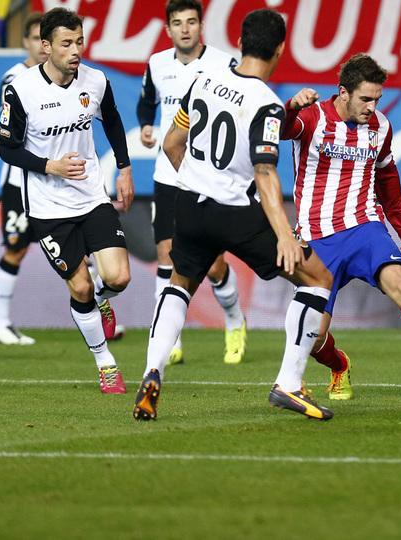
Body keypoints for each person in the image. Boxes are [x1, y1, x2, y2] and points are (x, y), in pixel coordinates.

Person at [132, 8, 336, 421]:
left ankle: (152, 372)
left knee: (179, 283)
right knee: (317, 279)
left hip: (189, 203)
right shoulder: (268, 105)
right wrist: (284, 234)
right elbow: (265, 173)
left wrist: (197, 179)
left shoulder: (203, 80)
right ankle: (289, 384)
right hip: (236, 212)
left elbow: (171, 143)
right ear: (280, 50)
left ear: (240, 43)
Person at [281, 54, 401, 403]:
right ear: (343, 93)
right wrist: (291, 107)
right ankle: (339, 364)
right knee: (314, 336)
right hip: (317, 238)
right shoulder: (312, 118)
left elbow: (387, 176)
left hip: (364, 228)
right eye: (365, 99)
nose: (372, 107)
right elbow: (283, 130)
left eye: (377, 99)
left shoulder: (381, 127)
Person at [0, 7, 134, 394]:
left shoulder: (96, 80)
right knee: (80, 288)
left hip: (91, 197)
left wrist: (124, 168)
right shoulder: (22, 90)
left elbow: (112, 119)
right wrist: (50, 166)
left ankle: (104, 299)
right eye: (66, 44)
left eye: (79, 42)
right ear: (46, 46)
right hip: (47, 207)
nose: (75, 51)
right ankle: (105, 363)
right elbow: (7, 148)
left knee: (118, 278)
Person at [136, 0, 246, 366]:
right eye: (178, 23)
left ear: (201, 26)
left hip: (206, 175)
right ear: (168, 29)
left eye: (191, 22)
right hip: (168, 173)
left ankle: (234, 319)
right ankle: (170, 337)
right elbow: (146, 101)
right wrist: (146, 125)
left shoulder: (223, 64)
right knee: (166, 254)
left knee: (212, 264)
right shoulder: (157, 64)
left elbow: (240, 108)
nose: (185, 29)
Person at [0, 12, 48, 346]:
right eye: (35, 38)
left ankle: (99, 317)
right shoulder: (14, 78)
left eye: (45, 39)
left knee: (83, 248)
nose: (41, 45)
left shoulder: (66, 77)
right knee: (16, 247)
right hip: (19, 179)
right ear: (25, 41)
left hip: (55, 180)